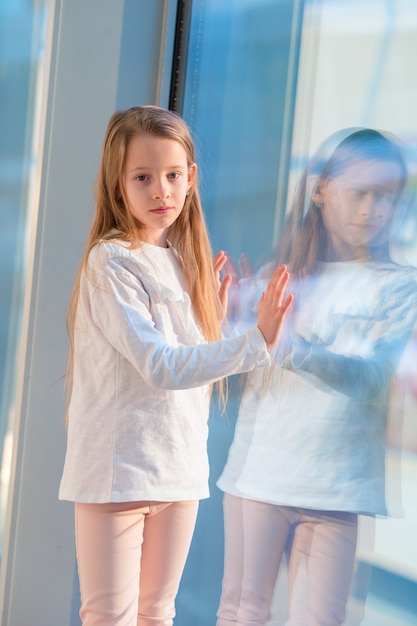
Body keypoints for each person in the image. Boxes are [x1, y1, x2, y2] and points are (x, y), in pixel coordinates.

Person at [58, 105, 292, 626]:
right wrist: (256, 340)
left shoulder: (181, 262)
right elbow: (161, 367)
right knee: (108, 617)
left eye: (172, 175)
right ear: (118, 185)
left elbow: (190, 372)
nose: (161, 190)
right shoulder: (112, 260)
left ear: (191, 179)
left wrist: (217, 321)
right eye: (142, 177)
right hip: (118, 473)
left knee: (158, 613)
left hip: (178, 472)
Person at [216, 128, 417, 626]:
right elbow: (232, 370)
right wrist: (228, 322)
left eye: (386, 197)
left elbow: (371, 379)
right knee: (242, 613)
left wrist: (291, 348)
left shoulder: (399, 287)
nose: (372, 209)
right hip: (258, 476)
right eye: (360, 193)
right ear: (321, 189)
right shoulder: (276, 276)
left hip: (337, 488)